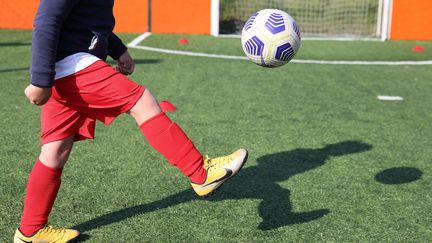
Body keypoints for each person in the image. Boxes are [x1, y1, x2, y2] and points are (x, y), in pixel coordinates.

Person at [13, 0, 248, 242]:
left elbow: (89, 20)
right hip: (72, 66)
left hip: (68, 67)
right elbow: (47, 19)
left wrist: (118, 49)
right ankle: (201, 173)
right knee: (142, 101)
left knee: (55, 150)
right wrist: (41, 79)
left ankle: (31, 230)